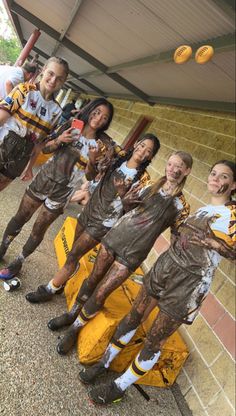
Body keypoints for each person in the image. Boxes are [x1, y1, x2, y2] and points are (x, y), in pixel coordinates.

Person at [78, 160, 236, 405]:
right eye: (213, 173)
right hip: (166, 266)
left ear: (233, 184)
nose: (215, 179)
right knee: (133, 316)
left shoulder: (233, 213)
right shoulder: (203, 209)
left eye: (223, 176)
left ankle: (119, 386)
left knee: (155, 338)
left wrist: (215, 244)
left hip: (190, 284)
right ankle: (104, 363)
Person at [47, 151, 193, 355]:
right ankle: (71, 315)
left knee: (102, 291)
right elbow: (125, 207)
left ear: (187, 171)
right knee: (92, 279)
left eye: (179, 166)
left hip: (134, 253)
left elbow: (177, 240)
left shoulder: (182, 207)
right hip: (116, 237)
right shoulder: (149, 185)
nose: (174, 169)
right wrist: (124, 198)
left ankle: (74, 330)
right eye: (170, 164)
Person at [25, 133, 160, 306]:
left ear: (150, 157)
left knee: (75, 253)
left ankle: (49, 289)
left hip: (105, 222)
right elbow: (93, 167)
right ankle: (62, 282)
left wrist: (122, 194)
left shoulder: (144, 180)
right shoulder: (117, 158)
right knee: (73, 250)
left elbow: (131, 210)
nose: (143, 152)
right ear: (136, 145)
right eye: (142, 146)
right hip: (90, 210)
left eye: (148, 151)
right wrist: (95, 158)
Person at [0, 98, 114, 280]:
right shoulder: (72, 125)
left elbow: (91, 177)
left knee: (39, 229)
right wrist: (60, 139)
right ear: (90, 109)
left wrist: (93, 159)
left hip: (64, 192)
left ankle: (19, 261)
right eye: (97, 112)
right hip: (44, 179)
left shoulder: (101, 145)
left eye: (105, 117)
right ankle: (2, 248)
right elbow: (45, 148)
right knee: (21, 217)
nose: (99, 118)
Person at [0, 57, 69, 192]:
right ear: (43, 70)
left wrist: (29, 167)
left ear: (63, 82)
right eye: (51, 73)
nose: (53, 80)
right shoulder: (23, 90)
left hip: (18, 161)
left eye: (59, 78)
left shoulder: (57, 112)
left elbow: (38, 144)